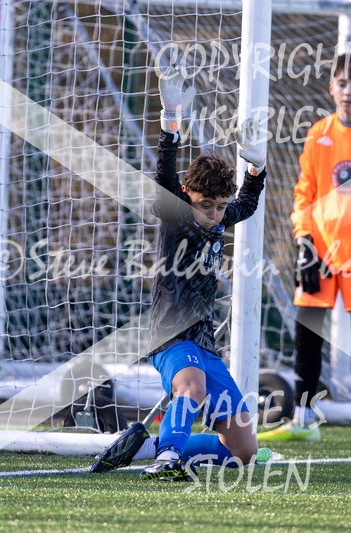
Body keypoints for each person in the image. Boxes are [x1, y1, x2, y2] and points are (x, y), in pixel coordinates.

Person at [90, 65, 274, 480]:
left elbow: (246, 202)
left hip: (204, 342)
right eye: (206, 205)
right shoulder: (176, 216)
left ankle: (149, 446)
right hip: (170, 335)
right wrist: (170, 122)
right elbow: (164, 176)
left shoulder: (219, 219)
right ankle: (167, 457)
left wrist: (257, 168)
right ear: (187, 195)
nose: (214, 215)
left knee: (243, 450)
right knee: (191, 388)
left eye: (220, 207)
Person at [257, 52, 351, 445]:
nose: (348, 91)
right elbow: (304, 192)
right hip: (321, 253)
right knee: (307, 336)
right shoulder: (318, 134)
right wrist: (304, 242)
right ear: (331, 88)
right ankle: (304, 421)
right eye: (342, 83)